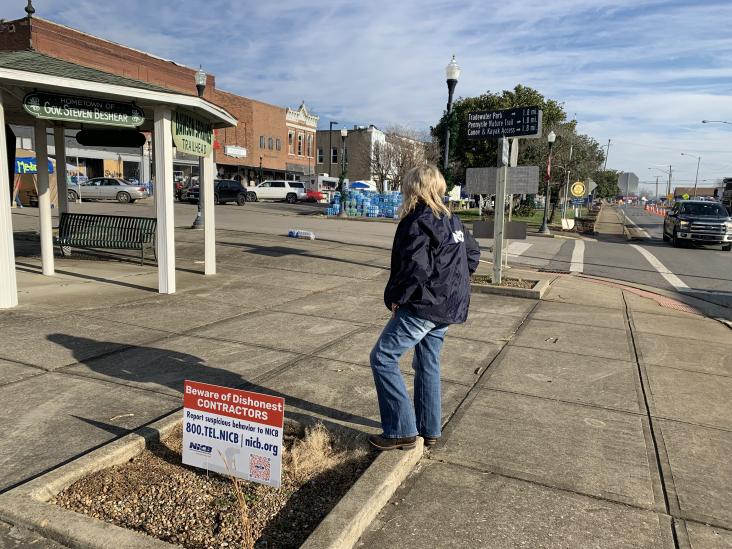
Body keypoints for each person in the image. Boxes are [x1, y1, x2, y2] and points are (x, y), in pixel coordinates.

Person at [368, 164, 480, 451]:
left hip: (424, 305)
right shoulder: (452, 219)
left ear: (413, 187)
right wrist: (452, 283)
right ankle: (429, 429)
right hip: (447, 305)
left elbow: (414, 269)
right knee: (427, 362)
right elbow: (472, 255)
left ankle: (400, 431)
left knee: (383, 358)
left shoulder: (417, 220)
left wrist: (397, 298)